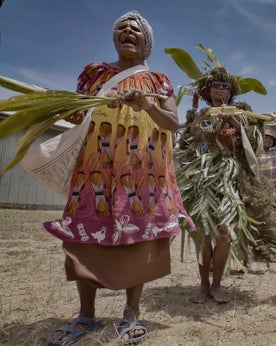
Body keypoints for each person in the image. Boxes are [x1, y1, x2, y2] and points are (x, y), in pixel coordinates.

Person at [44, 10, 194, 345]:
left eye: (135, 28)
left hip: (142, 174)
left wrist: (147, 106)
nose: (127, 30)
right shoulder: (95, 73)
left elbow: (172, 123)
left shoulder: (158, 81)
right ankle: (86, 315)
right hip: (95, 168)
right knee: (84, 235)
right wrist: (67, 110)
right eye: (121, 27)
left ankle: (131, 313)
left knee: (137, 239)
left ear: (146, 42)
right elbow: (79, 110)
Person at [177, 66, 276, 303]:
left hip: (231, 178)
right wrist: (197, 123)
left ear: (231, 91)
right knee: (203, 233)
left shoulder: (243, 112)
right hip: (201, 178)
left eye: (225, 86)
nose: (221, 90)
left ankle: (217, 284)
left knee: (224, 234)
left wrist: (231, 119)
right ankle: (203, 284)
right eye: (216, 86)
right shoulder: (198, 114)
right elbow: (185, 144)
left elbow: (254, 145)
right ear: (208, 90)